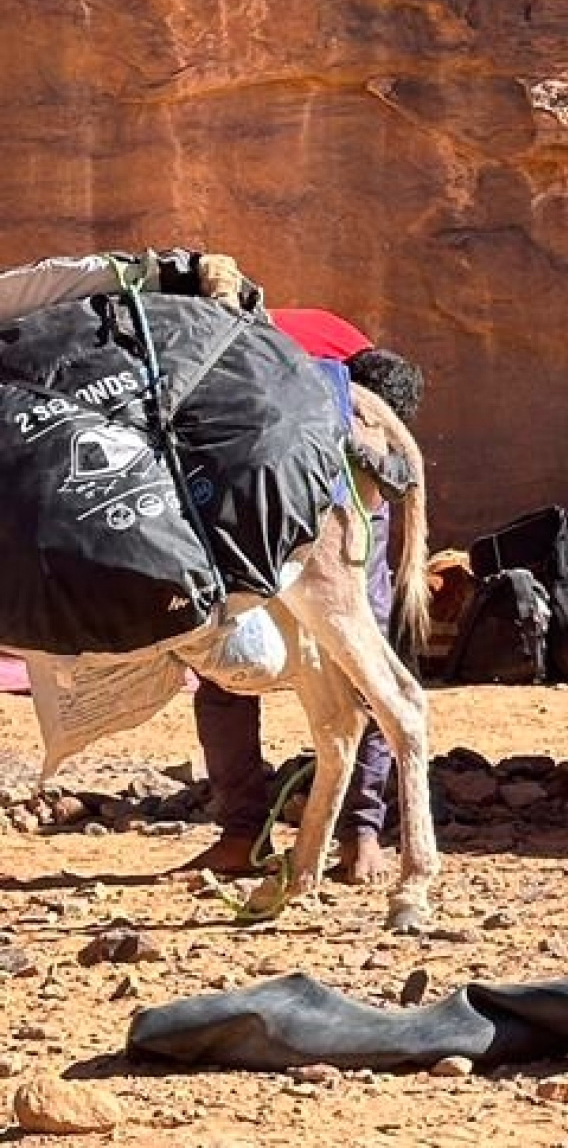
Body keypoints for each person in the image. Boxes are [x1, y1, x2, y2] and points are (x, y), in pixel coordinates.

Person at [186, 325, 425, 883]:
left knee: (358, 663)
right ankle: (280, 836)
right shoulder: (315, 359)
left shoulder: (278, 348)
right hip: (282, 469)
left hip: (297, 479)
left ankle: (339, 833)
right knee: (251, 666)